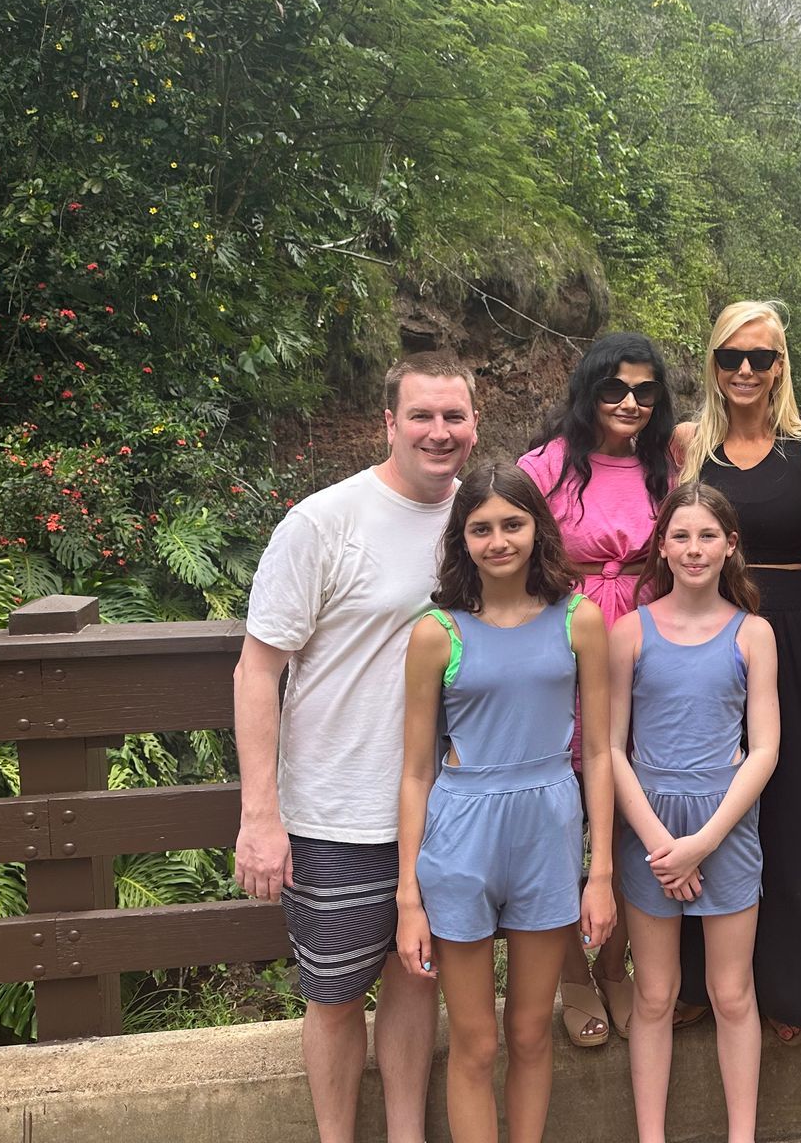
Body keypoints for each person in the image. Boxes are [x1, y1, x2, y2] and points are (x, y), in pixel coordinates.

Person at [234, 351, 478, 1143]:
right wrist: (260, 816)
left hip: (445, 811)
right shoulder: (323, 522)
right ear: (389, 423)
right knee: (334, 994)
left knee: (419, 980)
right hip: (336, 811)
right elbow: (257, 668)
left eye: (454, 417)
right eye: (422, 416)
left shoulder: (480, 523)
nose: (439, 433)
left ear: (474, 426)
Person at [394, 463, 618, 1142]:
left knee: (529, 1033)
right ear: (462, 539)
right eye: (481, 528)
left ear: (536, 529)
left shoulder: (579, 619)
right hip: (462, 832)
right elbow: (414, 769)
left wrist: (600, 871)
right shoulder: (438, 631)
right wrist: (408, 895)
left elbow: (602, 753)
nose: (498, 540)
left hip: (548, 827)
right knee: (475, 1042)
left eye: (512, 524)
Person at [673, 299, 801, 1045]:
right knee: (702, 792)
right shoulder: (688, 444)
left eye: (761, 358)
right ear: (714, 364)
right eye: (731, 357)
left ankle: (794, 988)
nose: (745, 370)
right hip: (707, 633)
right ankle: (696, 982)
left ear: (781, 365)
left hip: (791, 634)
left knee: (792, 806)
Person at [518, 332, 677, 1045]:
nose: (630, 403)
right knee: (563, 812)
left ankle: (615, 961)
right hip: (566, 643)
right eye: (615, 389)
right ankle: (571, 975)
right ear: (588, 390)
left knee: (629, 805)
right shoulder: (547, 466)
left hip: (645, 647)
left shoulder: (663, 466)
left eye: (646, 391)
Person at [609, 482, 780, 1143]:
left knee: (732, 994)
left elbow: (764, 748)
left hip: (727, 826)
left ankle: (743, 1134)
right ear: (662, 547)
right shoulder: (631, 631)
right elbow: (610, 747)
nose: (694, 548)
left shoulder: (753, 634)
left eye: (708, 535)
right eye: (680, 535)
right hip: (647, 826)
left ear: (731, 544)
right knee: (653, 995)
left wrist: (702, 843)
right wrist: (661, 845)